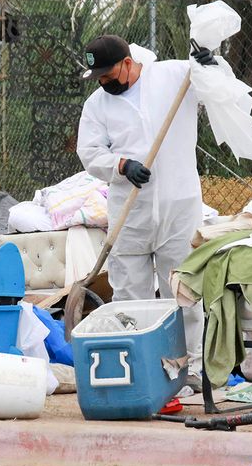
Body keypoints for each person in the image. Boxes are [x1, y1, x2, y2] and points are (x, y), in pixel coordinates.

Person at [76, 34, 215, 386]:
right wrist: (121, 165)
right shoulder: (97, 105)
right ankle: (140, 371)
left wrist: (208, 63)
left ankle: (191, 369)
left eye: (108, 74)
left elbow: (213, 87)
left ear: (127, 63)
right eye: (99, 77)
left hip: (178, 206)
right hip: (131, 211)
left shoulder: (172, 77)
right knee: (129, 294)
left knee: (182, 291)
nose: (104, 82)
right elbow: (89, 152)